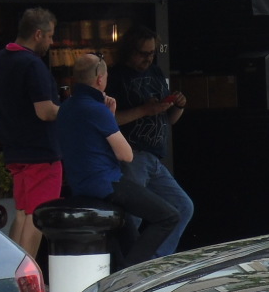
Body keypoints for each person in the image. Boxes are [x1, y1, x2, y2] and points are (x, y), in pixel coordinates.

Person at [56, 54, 179, 267]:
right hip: (106, 184)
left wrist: (110, 116)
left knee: (129, 239)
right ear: (100, 79)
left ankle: (127, 273)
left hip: (79, 185)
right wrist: (108, 116)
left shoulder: (66, 107)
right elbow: (126, 155)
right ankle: (125, 276)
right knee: (169, 216)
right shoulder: (96, 109)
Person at [106, 25, 192, 257]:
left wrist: (178, 106)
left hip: (154, 155)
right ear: (129, 51)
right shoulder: (116, 78)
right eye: (142, 53)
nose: (147, 58)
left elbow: (167, 120)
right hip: (131, 154)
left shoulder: (154, 73)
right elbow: (108, 119)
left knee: (182, 206)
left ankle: (154, 259)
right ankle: (128, 263)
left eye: (152, 53)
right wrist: (145, 109)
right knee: (131, 215)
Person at [0, 7, 61, 259]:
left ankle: (13, 270)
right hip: (41, 152)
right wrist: (71, 111)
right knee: (37, 213)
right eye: (50, 36)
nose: (52, 42)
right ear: (38, 34)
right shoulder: (32, 64)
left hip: (14, 149)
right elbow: (45, 111)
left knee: (22, 212)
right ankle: (27, 277)